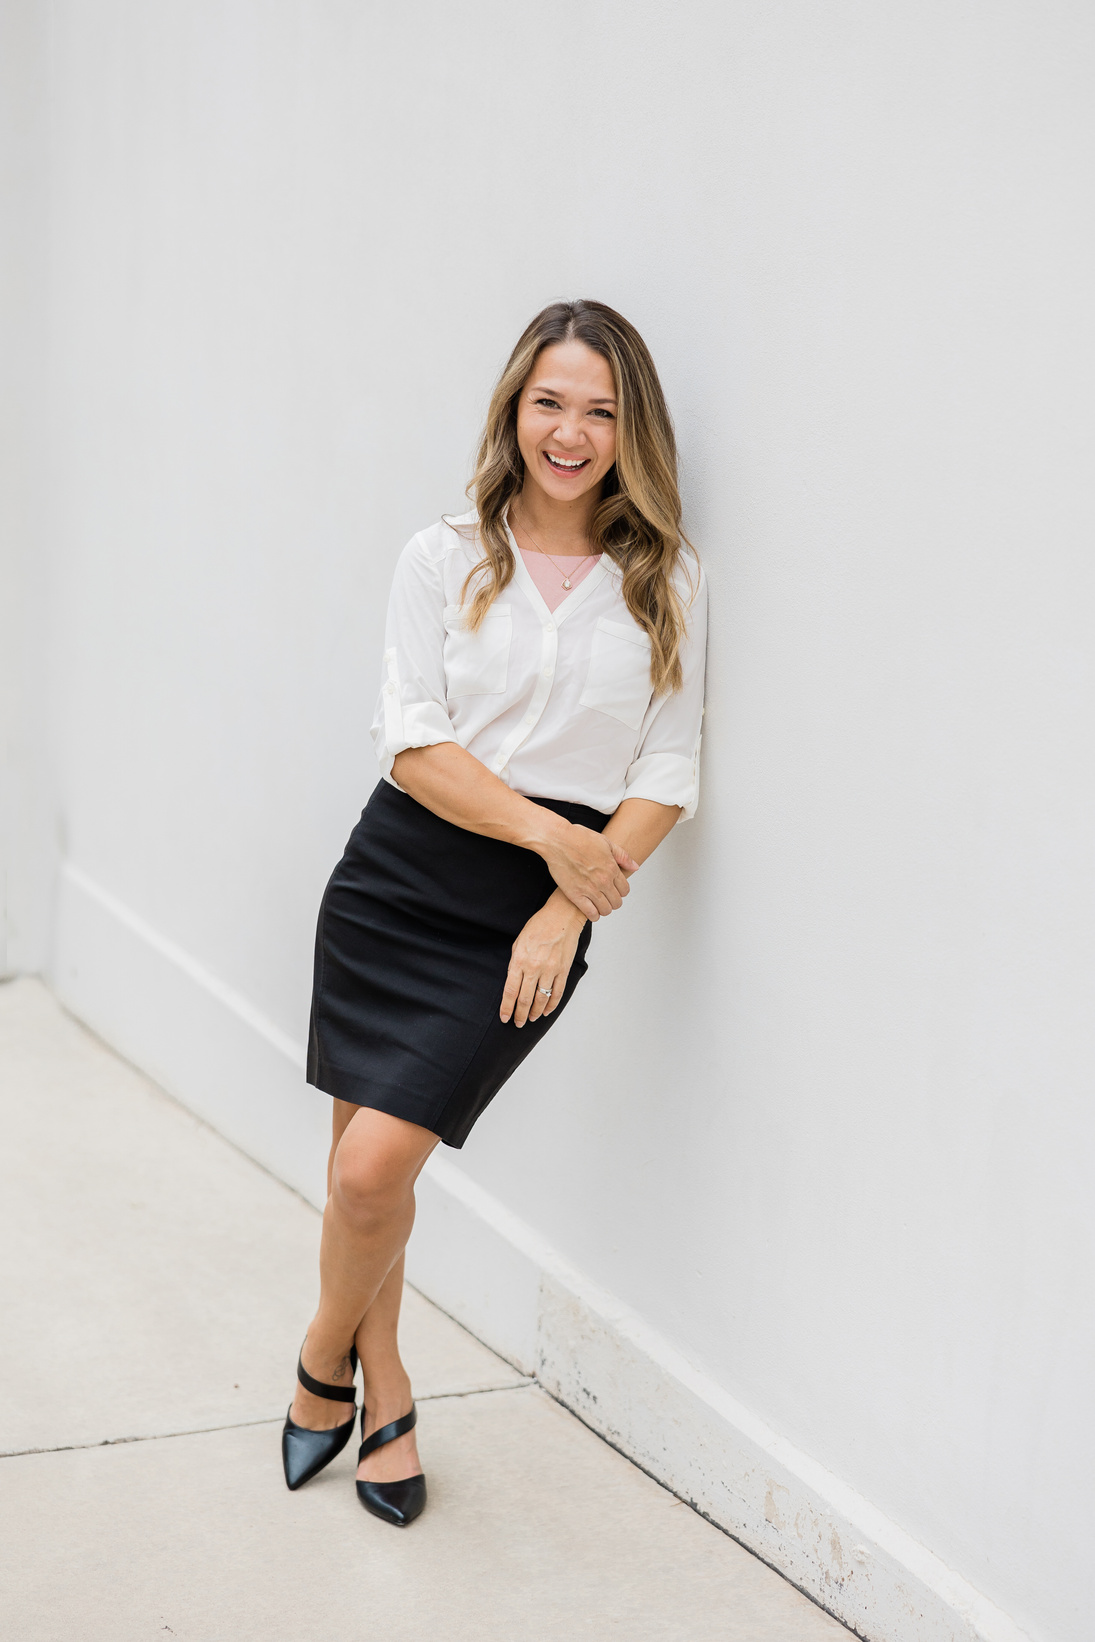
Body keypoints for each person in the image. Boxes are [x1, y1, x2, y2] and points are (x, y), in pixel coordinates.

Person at [282, 299, 708, 1525]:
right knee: (366, 1182)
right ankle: (387, 1385)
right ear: (515, 408)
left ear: (635, 430)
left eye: (601, 410)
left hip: (534, 916)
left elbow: (666, 775)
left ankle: (324, 1366)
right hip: (397, 879)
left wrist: (565, 909)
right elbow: (416, 746)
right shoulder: (445, 554)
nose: (570, 433)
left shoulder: (668, 578)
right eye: (550, 403)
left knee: (371, 1171)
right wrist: (554, 843)